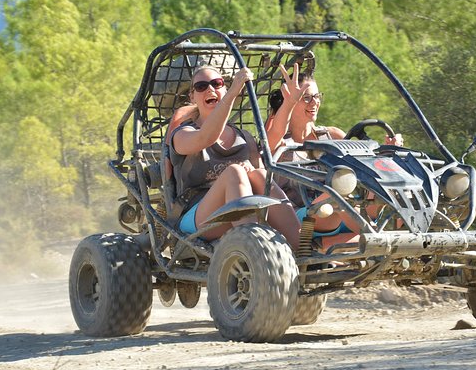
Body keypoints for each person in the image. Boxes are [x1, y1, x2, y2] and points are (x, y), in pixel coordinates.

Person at [265, 65, 403, 247]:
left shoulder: (332, 135)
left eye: (316, 96)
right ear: (290, 101)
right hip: (306, 216)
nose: (314, 103)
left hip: (345, 212)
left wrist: (389, 152)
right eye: (305, 98)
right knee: (333, 194)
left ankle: (406, 241)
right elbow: (272, 137)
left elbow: (366, 163)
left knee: (388, 184)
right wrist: (289, 103)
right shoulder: (281, 141)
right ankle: (375, 240)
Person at [168, 66, 300, 249]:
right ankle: (258, 250)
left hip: (241, 215)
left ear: (223, 87)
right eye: (201, 86)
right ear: (192, 96)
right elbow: (206, 137)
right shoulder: (182, 134)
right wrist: (232, 93)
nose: (210, 89)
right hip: (197, 218)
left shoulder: (243, 137)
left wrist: (290, 103)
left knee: (260, 175)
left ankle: (301, 248)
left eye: (217, 83)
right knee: (235, 172)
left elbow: (274, 137)